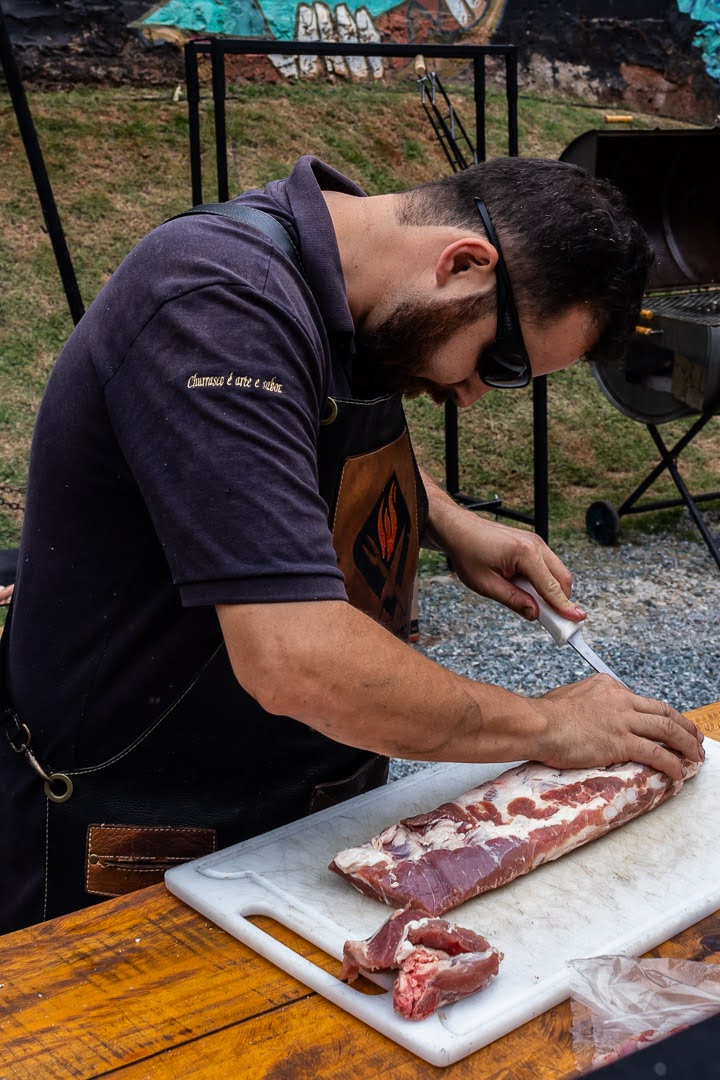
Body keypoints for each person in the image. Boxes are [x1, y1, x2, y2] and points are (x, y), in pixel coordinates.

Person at [0, 155, 704, 934]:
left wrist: (443, 517)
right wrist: (549, 724)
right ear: (463, 264)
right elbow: (295, 659)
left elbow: (278, 455)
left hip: (304, 809)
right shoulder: (213, 305)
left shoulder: (358, 283)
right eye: (499, 364)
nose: (472, 395)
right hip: (143, 831)